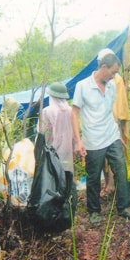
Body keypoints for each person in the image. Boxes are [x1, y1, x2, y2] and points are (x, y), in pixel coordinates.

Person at [71, 48, 130, 224]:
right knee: (93, 176)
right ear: (104, 67)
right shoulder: (82, 86)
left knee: (121, 170)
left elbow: (110, 112)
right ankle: (94, 211)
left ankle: (124, 207)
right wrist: (78, 141)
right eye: (114, 72)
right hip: (93, 140)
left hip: (112, 136)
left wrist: (118, 133)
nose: (115, 76)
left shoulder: (112, 85)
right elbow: (74, 113)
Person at [38, 82, 77, 214]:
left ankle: (56, 210)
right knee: (67, 177)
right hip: (68, 150)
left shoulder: (47, 111)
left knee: (54, 179)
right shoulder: (71, 111)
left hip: (53, 152)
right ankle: (69, 208)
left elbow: (44, 133)